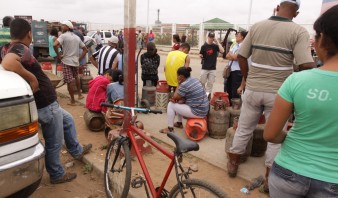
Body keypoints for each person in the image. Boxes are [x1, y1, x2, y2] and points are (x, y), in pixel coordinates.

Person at [227, 0, 316, 193]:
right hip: (279, 93)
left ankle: (233, 164)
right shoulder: (299, 32)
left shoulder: (257, 26)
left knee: (244, 128)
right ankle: (269, 179)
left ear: (278, 6)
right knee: (275, 136)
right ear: (296, 13)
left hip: (253, 89)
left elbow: (241, 56)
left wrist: (247, 77)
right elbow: (307, 65)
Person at [0, 18, 92, 184]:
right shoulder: (21, 49)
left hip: (47, 104)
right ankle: (56, 174)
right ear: (29, 33)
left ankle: (76, 150)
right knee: (54, 142)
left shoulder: (6, 47)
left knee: (69, 120)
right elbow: (8, 63)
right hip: (46, 105)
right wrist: (32, 77)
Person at [264, 5, 338, 197]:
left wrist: (287, 138)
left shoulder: (297, 80)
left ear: (323, 40)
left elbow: (271, 134)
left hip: (288, 172)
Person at [160, 67, 209, 133]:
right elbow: (180, 98)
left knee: (171, 105)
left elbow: (174, 97)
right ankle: (179, 123)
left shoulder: (184, 84)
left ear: (181, 76)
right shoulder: (194, 79)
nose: (177, 77)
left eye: (177, 75)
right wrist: (177, 100)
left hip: (198, 111)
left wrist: (178, 83)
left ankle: (170, 129)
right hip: (204, 109)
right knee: (179, 102)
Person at [53, 21, 87, 106]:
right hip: (75, 62)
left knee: (69, 81)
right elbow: (85, 50)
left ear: (68, 27)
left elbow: (54, 45)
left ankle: (72, 101)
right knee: (76, 77)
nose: (61, 27)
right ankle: (79, 95)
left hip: (66, 61)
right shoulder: (76, 37)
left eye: (63, 26)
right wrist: (78, 59)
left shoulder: (63, 36)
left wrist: (59, 55)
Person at [224, 31, 248, 101]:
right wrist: (233, 56)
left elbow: (236, 57)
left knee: (235, 91)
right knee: (229, 90)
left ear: (242, 37)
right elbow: (227, 56)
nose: (236, 36)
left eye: (237, 35)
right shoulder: (235, 45)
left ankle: (235, 107)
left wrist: (233, 55)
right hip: (231, 71)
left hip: (238, 71)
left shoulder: (244, 47)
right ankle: (230, 105)